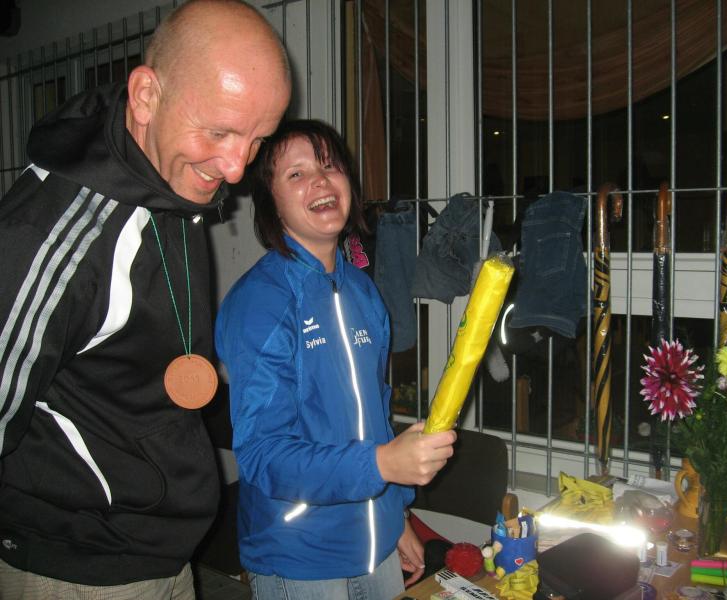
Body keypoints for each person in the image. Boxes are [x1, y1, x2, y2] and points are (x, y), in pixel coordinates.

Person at [0, 1, 291, 598]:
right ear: (145, 97)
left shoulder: (169, 184)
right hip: (78, 569)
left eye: (257, 140)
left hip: (158, 554)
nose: (236, 168)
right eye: (219, 132)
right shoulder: (54, 234)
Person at [215, 119, 457, 599]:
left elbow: (375, 419)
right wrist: (384, 465)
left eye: (330, 166)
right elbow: (263, 454)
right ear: (271, 201)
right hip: (302, 559)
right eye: (297, 174)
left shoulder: (363, 292)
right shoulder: (261, 303)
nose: (321, 181)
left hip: (377, 547)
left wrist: (396, 515)